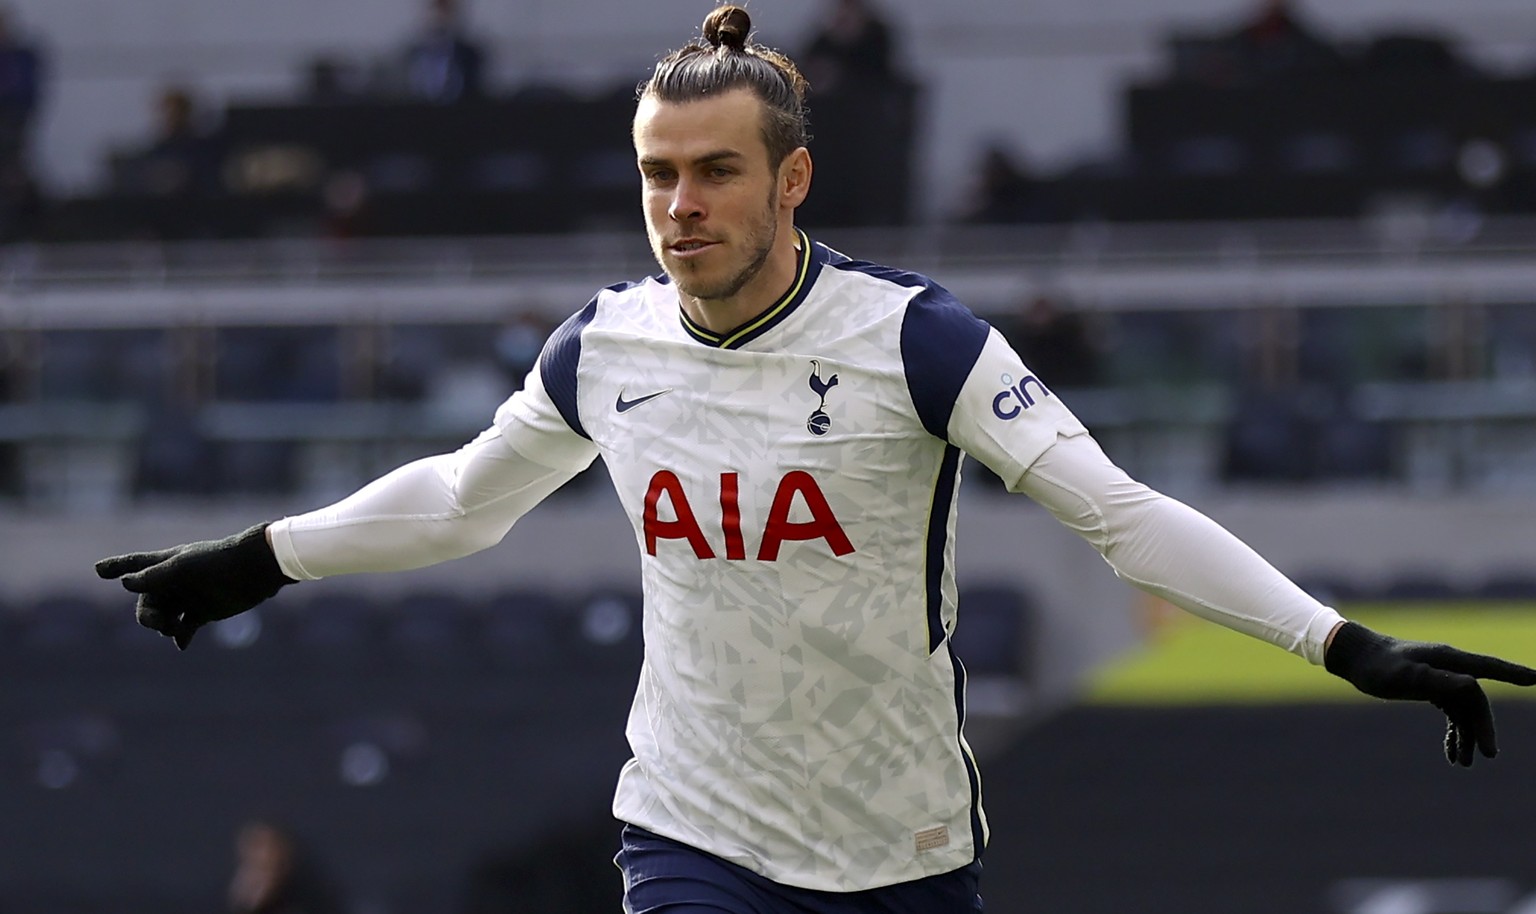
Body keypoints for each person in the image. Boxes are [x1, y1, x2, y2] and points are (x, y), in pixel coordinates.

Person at [95, 6, 1536, 912]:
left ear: (790, 179)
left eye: (715, 170)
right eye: (658, 172)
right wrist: (265, 554)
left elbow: (1121, 514)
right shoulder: (605, 347)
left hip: (902, 841)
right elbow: (466, 500)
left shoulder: (918, 340)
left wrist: (1339, 642)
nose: (681, 203)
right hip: (691, 829)